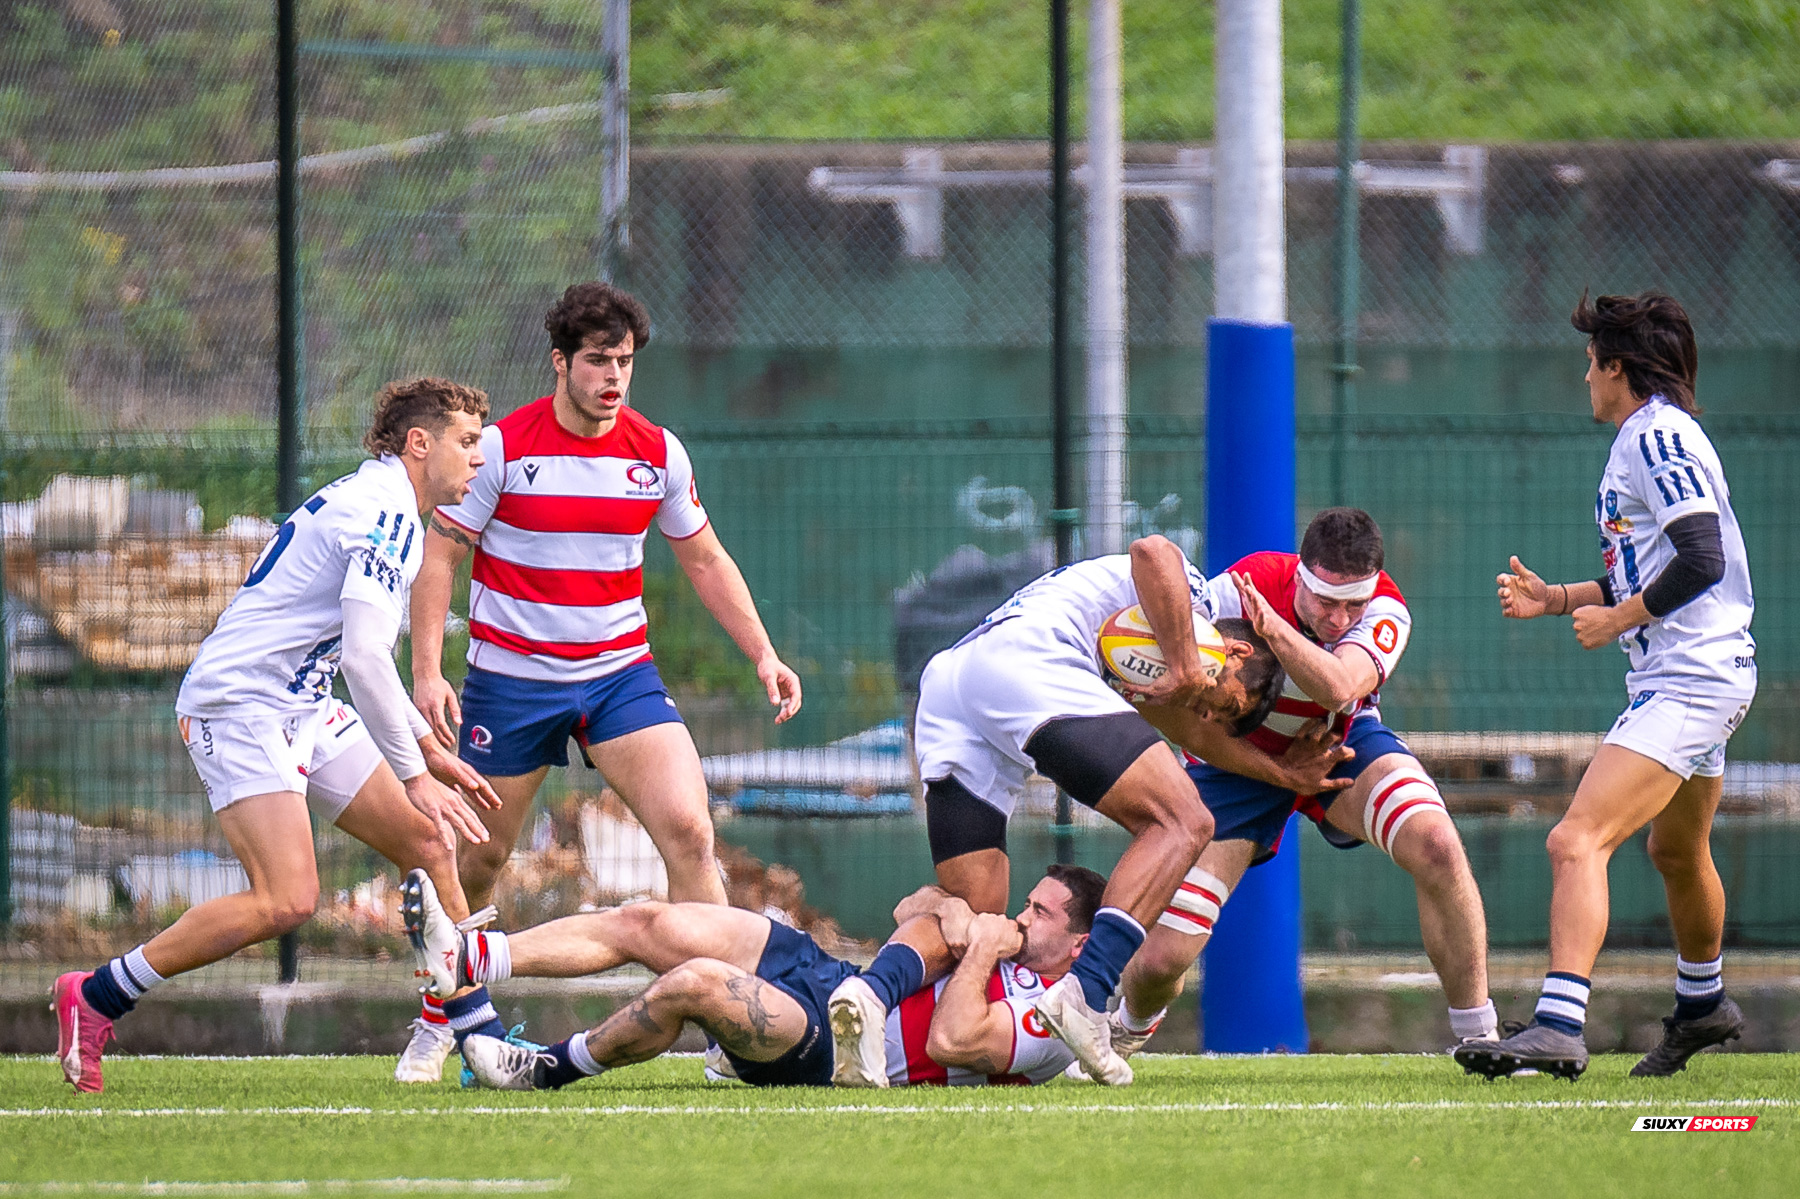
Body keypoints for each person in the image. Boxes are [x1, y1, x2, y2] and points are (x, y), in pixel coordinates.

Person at [53, 378, 502, 1094]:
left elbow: (357, 660)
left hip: (298, 700)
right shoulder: (386, 512)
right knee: (287, 899)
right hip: (240, 707)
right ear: (421, 444)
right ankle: (99, 994)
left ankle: (472, 1027)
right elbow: (363, 656)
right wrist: (417, 769)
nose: (481, 458)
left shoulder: (388, 506)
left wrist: (425, 751)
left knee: (427, 840)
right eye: (468, 441)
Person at [405, 282, 802, 1079]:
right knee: (477, 859)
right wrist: (425, 672)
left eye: (624, 361)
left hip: (620, 678)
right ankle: (441, 1013)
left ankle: (735, 1031)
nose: (613, 376)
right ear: (562, 362)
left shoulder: (657, 452)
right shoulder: (506, 449)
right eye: (597, 360)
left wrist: (763, 651)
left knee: (691, 833)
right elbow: (440, 555)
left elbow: (704, 557)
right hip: (512, 682)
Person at [1459, 292, 1755, 1082]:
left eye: (1591, 359)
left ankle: (1558, 1025)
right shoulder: (1654, 436)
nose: (1583, 372)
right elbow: (1660, 560)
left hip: (1689, 679)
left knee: (1574, 839)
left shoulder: (1654, 435)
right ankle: (1703, 1004)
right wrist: (1559, 598)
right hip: (1705, 673)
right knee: (1678, 847)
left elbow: (1702, 558)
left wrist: (1618, 615)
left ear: (1616, 367)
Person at [1114, 509, 1496, 1058]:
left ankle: (1480, 1036)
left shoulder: (1386, 607)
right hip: (1236, 761)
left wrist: (1274, 631)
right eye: (1325, 600)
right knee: (1160, 962)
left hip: (1337, 742)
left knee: (1436, 842)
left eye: (1353, 604)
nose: (1340, 619)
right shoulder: (1236, 591)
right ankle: (1124, 1032)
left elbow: (1341, 687)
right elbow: (1183, 707)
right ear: (1299, 576)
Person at [910, 536, 1280, 1085]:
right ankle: (1084, 995)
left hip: (955, 680)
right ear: (1239, 654)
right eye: (1218, 702)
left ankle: (867, 999)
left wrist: (1283, 774)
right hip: (1030, 660)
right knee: (1187, 821)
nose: (1201, 709)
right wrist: (1185, 664)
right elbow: (1152, 549)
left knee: (972, 910)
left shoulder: (1171, 645)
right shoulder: (1196, 611)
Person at [398, 864, 1102, 1090]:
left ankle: (544, 1068)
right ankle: (468, 960)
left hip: (827, 1048)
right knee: (650, 922)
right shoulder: (1005, 940)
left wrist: (978, 944)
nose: (1021, 914)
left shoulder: (1052, 1016)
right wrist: (957, 910)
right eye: (1028, 900)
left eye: (1040, 913)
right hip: (831, 976)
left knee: (695, 980)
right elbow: (910, 909)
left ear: (1077, 942)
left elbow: (953, 1038)